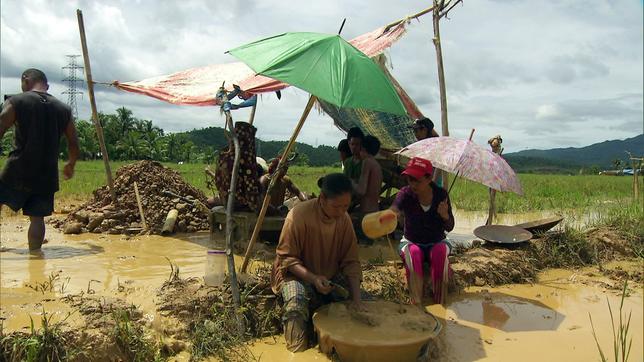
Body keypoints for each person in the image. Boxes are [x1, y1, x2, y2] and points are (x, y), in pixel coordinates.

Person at [270, 173, 364, 352]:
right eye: (336, 206)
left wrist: (357, 301)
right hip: (294, 274)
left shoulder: (344, 220)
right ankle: (296, 350)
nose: (342, 212)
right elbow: (287, 259)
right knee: (295, 302)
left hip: (328, 274)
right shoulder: (298, 216)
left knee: (363, 302)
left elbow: (351, 262)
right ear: (322, 198)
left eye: (346, 206)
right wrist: (313, 278)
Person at [0, 69, 79, 251]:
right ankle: (35, 256)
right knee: (37, 218)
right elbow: (73, 143)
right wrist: (70, 164)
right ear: (47, 86)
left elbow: (2, 124)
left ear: (25, 80)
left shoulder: (17, 101)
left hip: (17, 168)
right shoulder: (63, 109)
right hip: (47, 173)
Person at [389, 157, 454, 305]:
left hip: (437, 241)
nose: (412, 184)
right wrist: (392, 214)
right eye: (409, 179)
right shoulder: (405, 193)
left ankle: (440, 303)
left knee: (439, 252)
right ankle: (416, 303)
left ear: (429, 178)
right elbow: (394, 209)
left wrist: (445, 216)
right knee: (414, 253)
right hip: (412, 242)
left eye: (416, 180)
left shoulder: (441, 195)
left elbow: (450, 226)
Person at [409, 117, 443, 188]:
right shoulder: (420, 145)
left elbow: (438, 167)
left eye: (416, 130)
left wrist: (431, 184)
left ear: (424, 130)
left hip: (432, 185)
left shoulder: (434, 146)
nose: (414, 133)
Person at [354, 135, 383, 214]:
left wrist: (350, 182)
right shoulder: (376, 164)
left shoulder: (367, 162)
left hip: (367, 211)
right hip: (375, 209)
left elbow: (361, 190)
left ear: (363, 148)